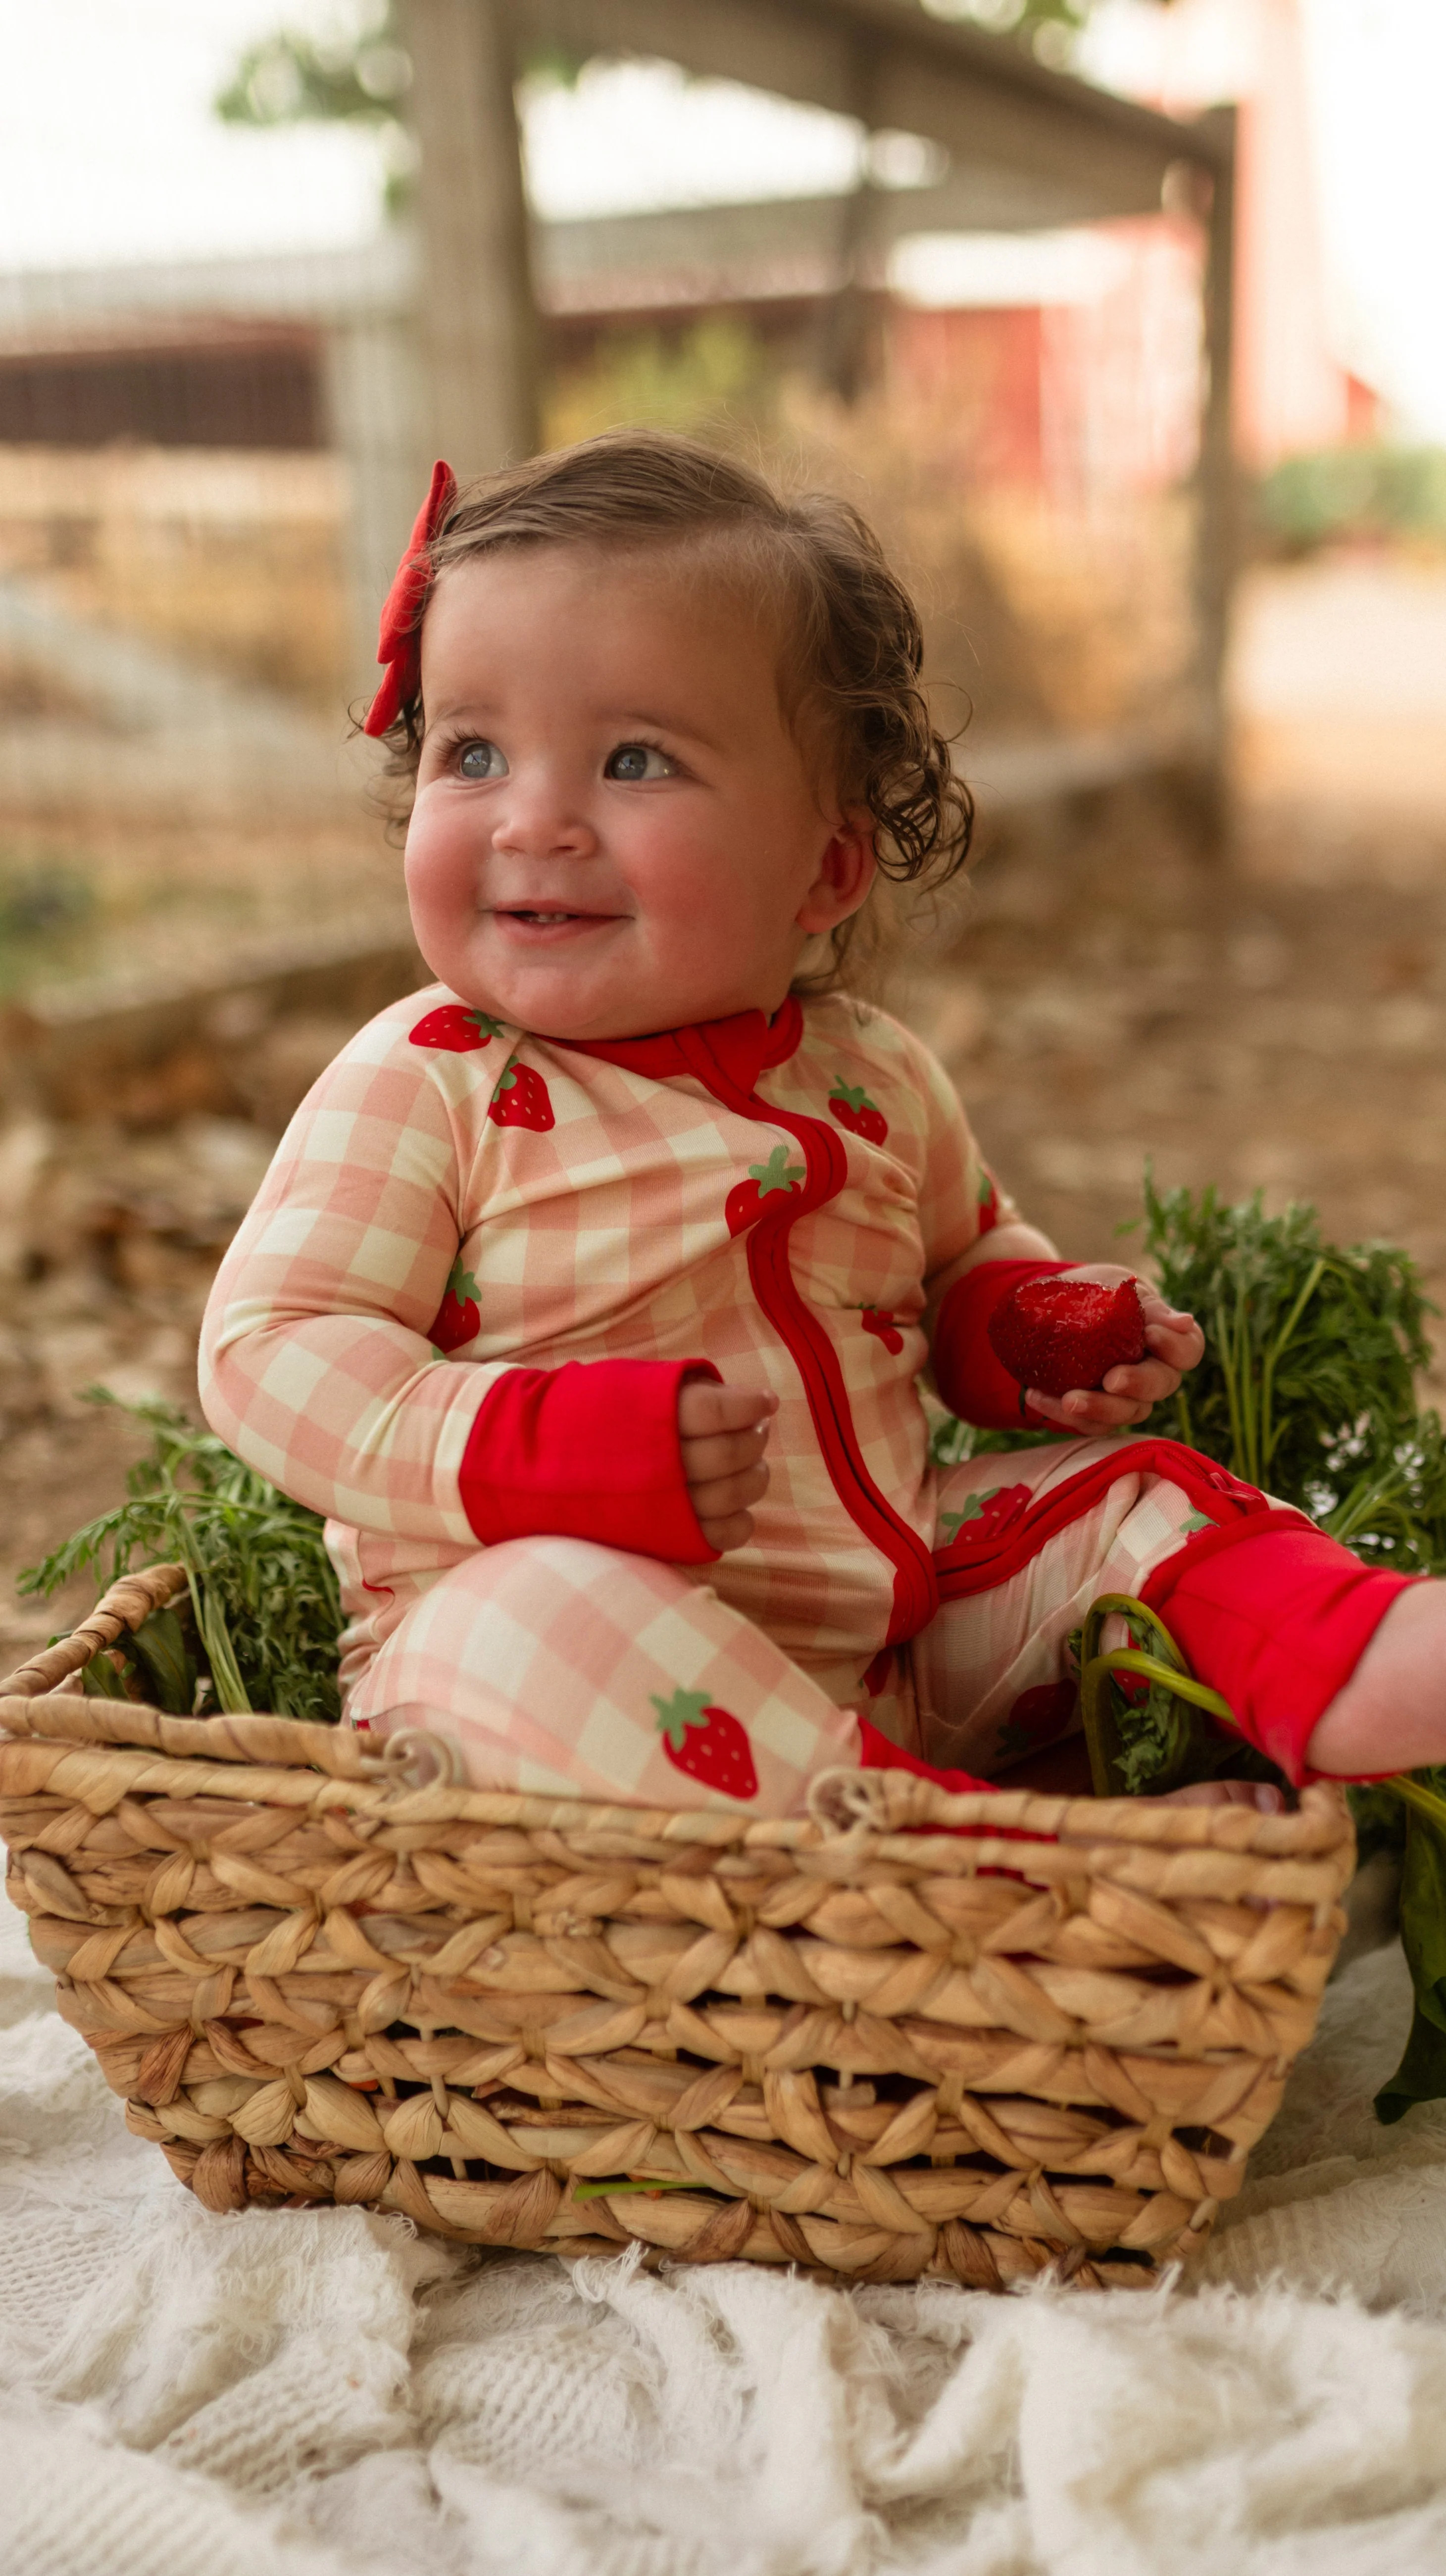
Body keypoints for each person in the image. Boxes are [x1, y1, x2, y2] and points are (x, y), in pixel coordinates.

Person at [199, 431, 1434, 1814]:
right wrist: (534, 1448)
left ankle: (1349, 1657)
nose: (532, 820)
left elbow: (963, 1258)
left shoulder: (871, 1073)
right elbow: (273, 1352)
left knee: (1133, 1489)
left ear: (826, 864)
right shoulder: (428, 1077)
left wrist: (1026, 1326)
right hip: (578, 1702)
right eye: (471, 750)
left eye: (634, 761)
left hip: (893, 1631)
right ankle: (983, 1873)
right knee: (523, 1621)